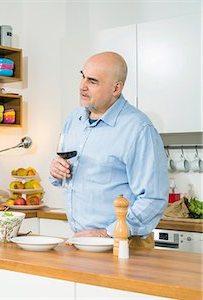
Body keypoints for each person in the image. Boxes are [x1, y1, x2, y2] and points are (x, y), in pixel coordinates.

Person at [49, 52, 168, 248]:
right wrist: (56, 171)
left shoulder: (138, 128)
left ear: (116, 88)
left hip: (122, 243)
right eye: (82, 76)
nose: (82, 86)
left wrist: (106, 233)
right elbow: (66, 168)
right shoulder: (75, 119)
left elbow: (153, 198)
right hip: (81, 241)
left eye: (92, 81)